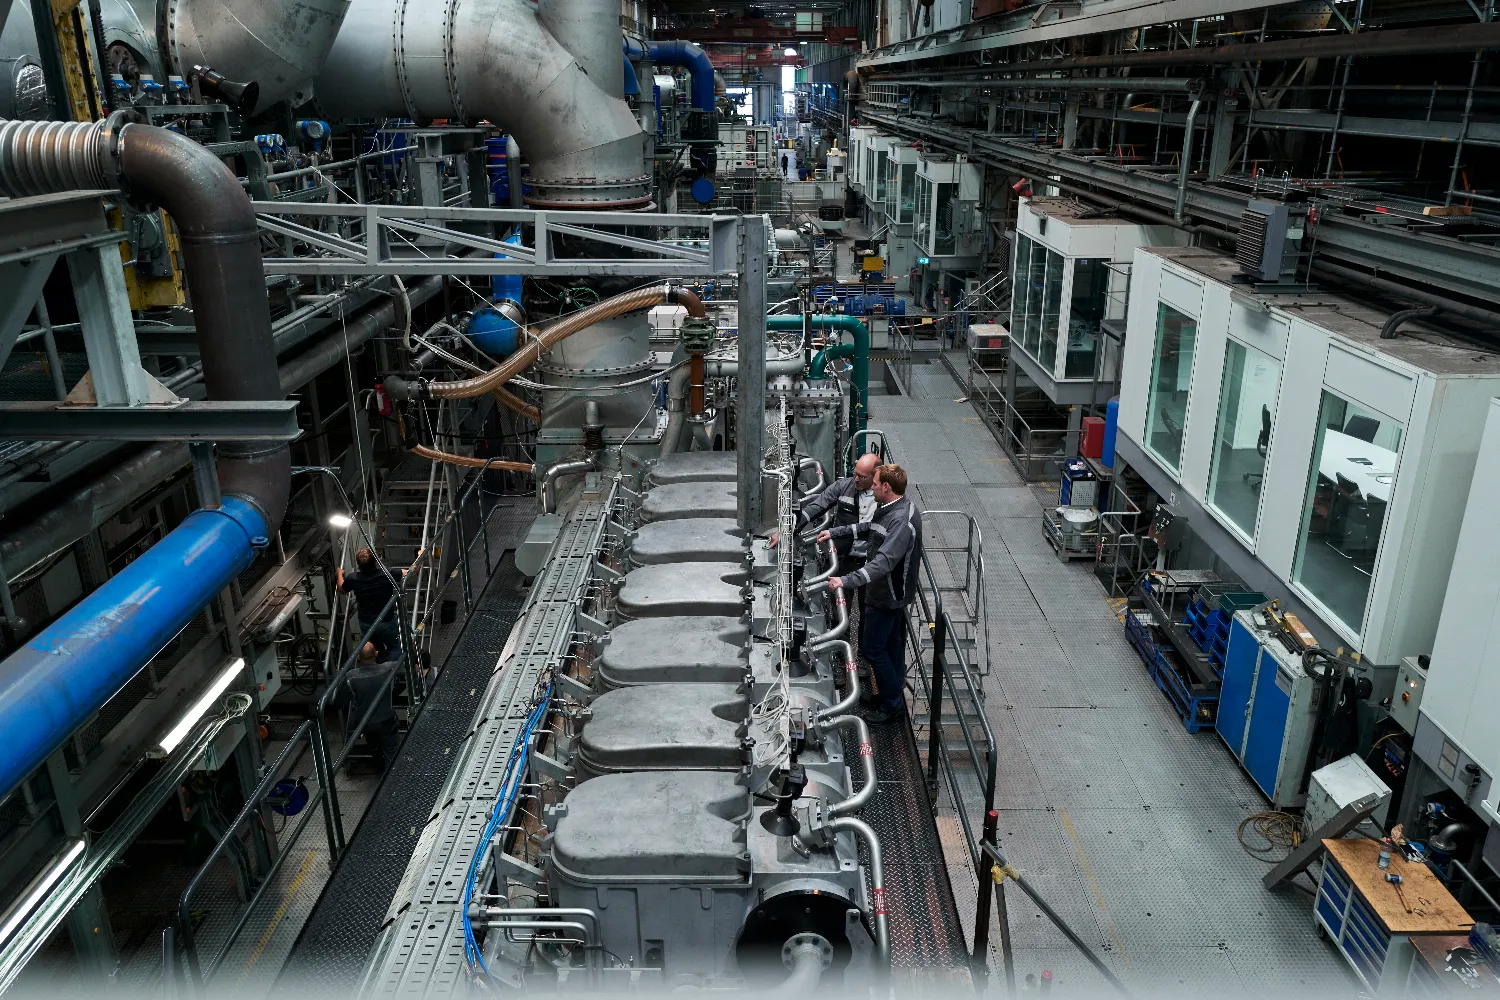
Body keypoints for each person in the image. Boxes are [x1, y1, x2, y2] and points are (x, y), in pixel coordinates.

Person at [820, 464, 922, 724]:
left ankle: (892, 705)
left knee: (872, 648)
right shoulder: (891, 508)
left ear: (886, 487)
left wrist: (844, 580)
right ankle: (892, 694)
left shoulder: (901, 521)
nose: (871, 488)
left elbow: (883, 563)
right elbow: (867, 527)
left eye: (875, 484)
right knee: (892, 646)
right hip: (886, 593)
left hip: (887, 596)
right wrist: (834, 531)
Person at [769, 452, 878, 556]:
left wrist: (835, 533)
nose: (856, 479)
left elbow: (874, 527)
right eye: (855, 473)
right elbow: (816, 507)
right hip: (843, 556)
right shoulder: (843, 486)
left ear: (876, 475)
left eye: (862, 476)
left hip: (871, 558)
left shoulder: (885, 497)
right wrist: (785, 530)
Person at [333, 642, 401, 772]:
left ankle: (380, 766)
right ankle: (389, 779)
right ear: (376, 653)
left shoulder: (350, 677)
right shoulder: (389, 669)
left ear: (358, 657)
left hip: (365, 723)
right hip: (387, 721)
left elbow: (340, 699)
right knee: (392, 753)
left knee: (375, 749)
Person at [337, 547, 404, 657]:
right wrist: (420, 555)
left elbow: (342, 589)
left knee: (373, 650)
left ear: (358, 564)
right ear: (375, 561)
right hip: (386, 621)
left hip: (367, 624)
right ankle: (392, 671)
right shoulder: (386, 574)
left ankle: (378, 670)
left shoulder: (353, 578)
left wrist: (339, 574)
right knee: (394, 648)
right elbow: (411, 571)